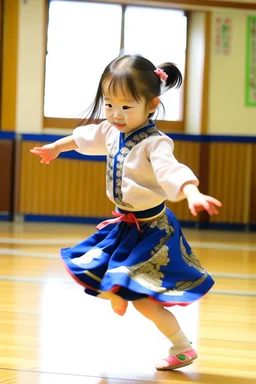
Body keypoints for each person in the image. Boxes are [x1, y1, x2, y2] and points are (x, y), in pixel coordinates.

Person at [30, 54, 222, 371]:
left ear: (151, 105)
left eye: (126, 106)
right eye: (109, 104)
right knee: (88, 266)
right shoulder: (110, 131)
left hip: (152, 230)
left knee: (145, 301)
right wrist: (55, 148)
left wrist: (193, 192)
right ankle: (119, 292)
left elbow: (172, 171)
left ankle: (182, 347)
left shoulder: (154, 143)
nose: (115, 114)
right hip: (125, 226)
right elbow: (81, 138)